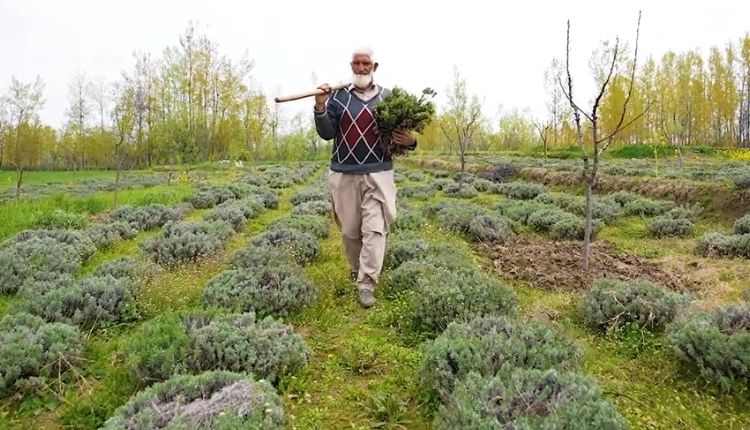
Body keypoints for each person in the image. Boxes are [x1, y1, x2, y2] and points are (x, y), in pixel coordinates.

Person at [313, 46, 417, 308]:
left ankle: (367, 282)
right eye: (356, 63)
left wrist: (412, 141)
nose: (361, 67)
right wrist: (320, 106)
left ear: (375, 67)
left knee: (374, 229)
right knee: (350, 232)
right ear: (351, 66)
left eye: (366, 63)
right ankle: (356, 266)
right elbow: (327, 133)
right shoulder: (337, 98)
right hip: (344, 173)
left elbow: (404, 135)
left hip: (378, 172)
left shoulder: (389, 98)